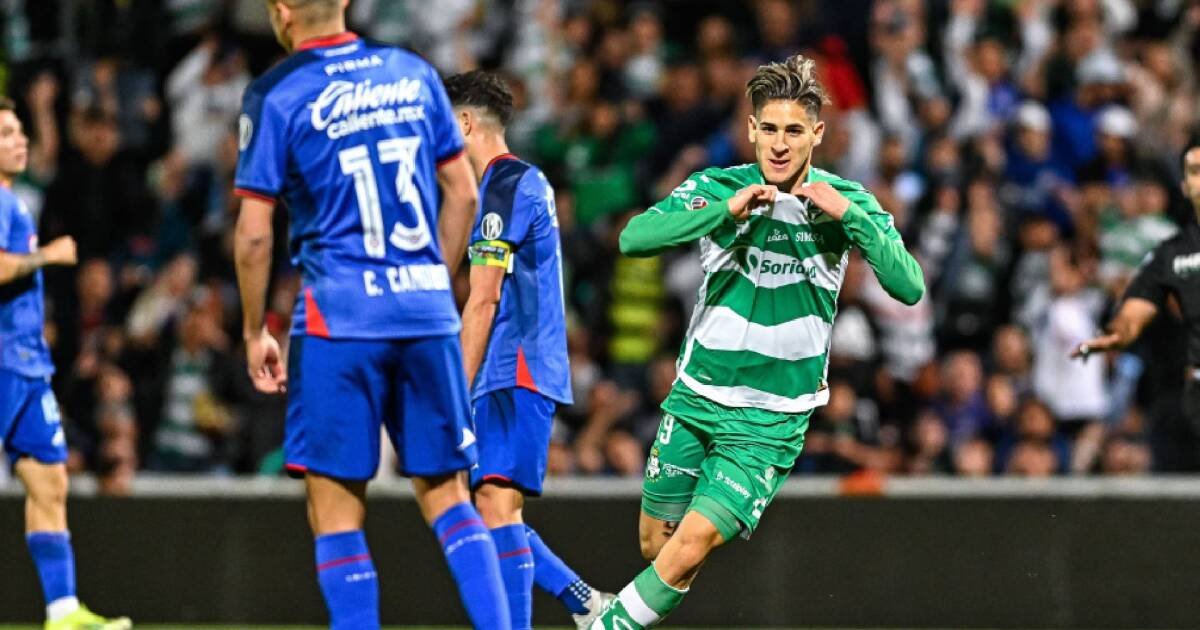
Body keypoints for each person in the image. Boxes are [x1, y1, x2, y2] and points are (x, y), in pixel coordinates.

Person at [586, 54, 925, 628]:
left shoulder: (845, 202)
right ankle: (626, 609)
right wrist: (724, 210)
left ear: (817, 133)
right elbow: (633, 238)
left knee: (690, 544)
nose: (779, 143)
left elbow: (909, 286)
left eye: (794, 130)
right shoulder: (719, 186)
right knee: (657, 548)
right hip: (696, 397)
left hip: (769, 420)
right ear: (751, 130)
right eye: (769, 128)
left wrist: (853, 218)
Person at [232, 2, 509, 628]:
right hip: (424, 310)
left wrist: (254, 331)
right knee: (448, 499)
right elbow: (464, 192)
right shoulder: (410, 72)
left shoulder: (276, 93)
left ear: (280, 12)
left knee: (336, 512)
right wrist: (429, 283)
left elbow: (253, 234)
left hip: (339, 318)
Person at [445, 70, 612, 629]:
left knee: (495, 504)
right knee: (489, 507)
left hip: (512, 366)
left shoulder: (505, 185)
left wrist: (454, 388)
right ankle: (584, 602)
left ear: (464, 123)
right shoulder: (510, 185)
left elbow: (485, 299)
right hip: (510, 367)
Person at [0, 97, 130, 630]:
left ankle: (62, 611)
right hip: (4, 364)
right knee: (47, 481)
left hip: (25, 363)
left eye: (20, 130)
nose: (20, 140)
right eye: (6, 133)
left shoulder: (16, 199)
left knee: (50, 481)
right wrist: (47, 257)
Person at [1074, 141, 1200, 468]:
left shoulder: (1171, 235)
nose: (1144, 196)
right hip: (1112, 317)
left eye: (1151, 190)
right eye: (1140, 189)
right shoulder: (1120, 228)